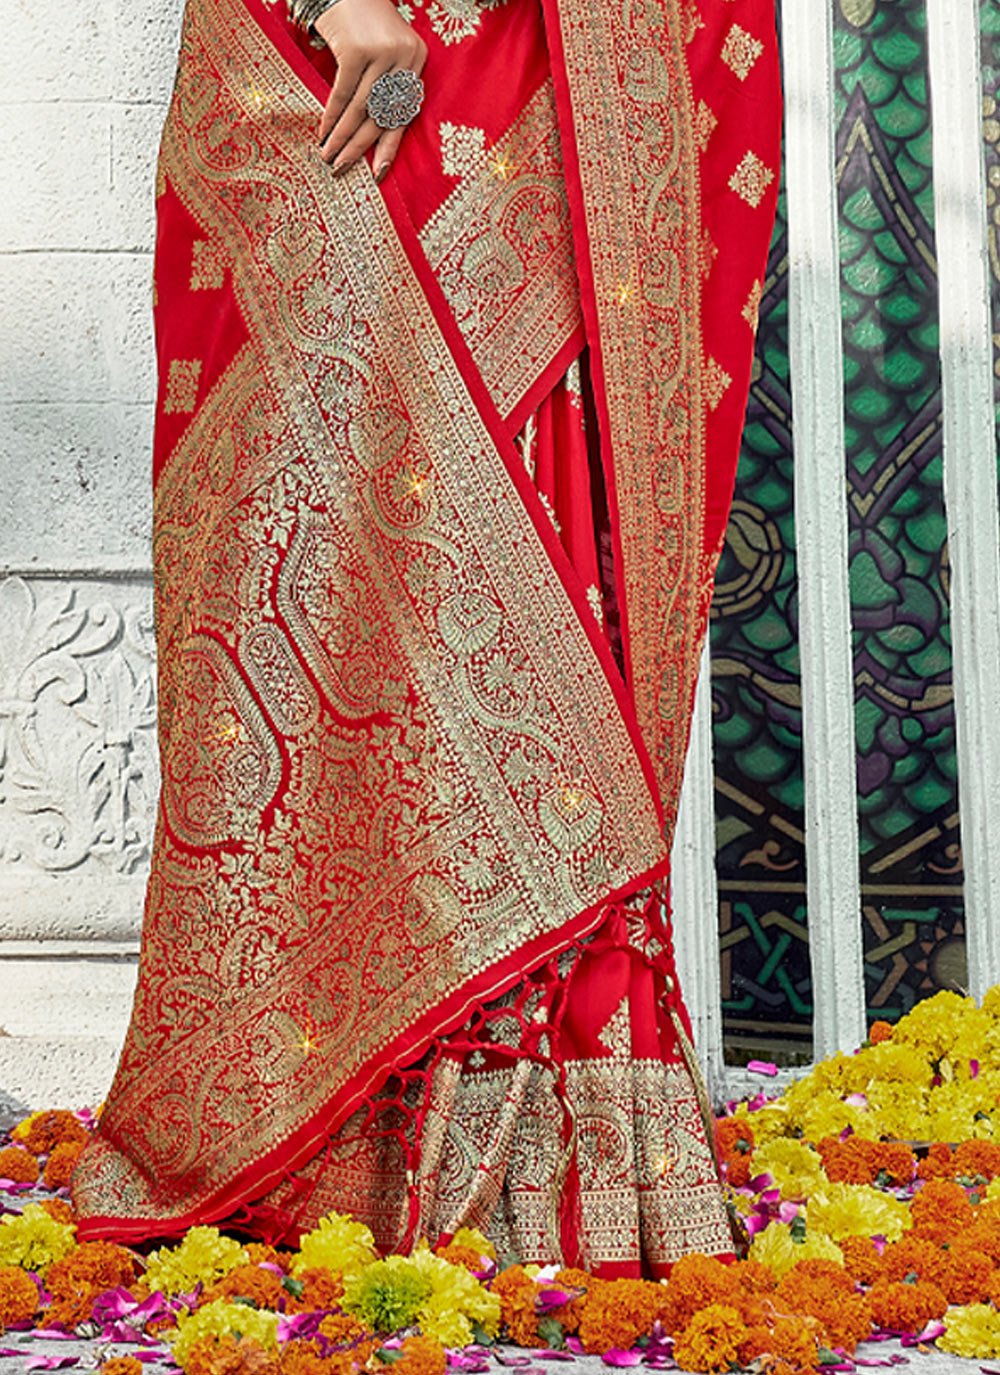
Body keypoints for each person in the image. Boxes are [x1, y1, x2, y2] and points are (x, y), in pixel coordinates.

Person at [71, 0, 781, 1277]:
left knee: (545, 525)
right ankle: (318, 1123)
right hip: (338, 59)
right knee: (313, 571)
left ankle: (539, 1152)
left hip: (555, 81)